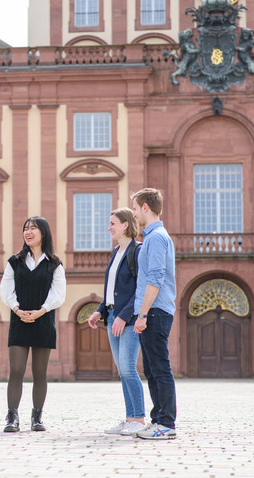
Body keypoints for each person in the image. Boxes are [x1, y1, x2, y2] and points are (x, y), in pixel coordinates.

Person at [0, 216, 65, 432]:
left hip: (43, 321)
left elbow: (58, 294)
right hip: (19, 320)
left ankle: (37, 417)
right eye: (26, 228)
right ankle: (12, 417)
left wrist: (40, 311)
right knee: (16, 370)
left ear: (43, 233)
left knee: (40, 372)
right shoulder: (14, 261)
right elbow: (6, 289)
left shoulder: (55, 264)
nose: (28, 232)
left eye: (33, 228)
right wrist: (17, 309)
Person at [87, 208, 146, 436]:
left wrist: (123, 316)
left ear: (125, 224)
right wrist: (100, 311)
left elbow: (140, 289)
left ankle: (139, 419)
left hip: (129, 319)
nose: (109, 227)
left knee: (129, 369)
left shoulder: (137, 251)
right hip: (112, 316)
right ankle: (129, 418)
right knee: (122, 370)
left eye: (112, 223)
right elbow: (112, 290)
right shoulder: (115, 252)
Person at [131, 188, 177, 440]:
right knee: (151, 369)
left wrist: (143, 314)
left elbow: (156, 278)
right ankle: (158, 418)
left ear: (145, 208)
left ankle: (167, 423)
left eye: (136, 208)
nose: (135, 213)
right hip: (152, 310)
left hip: (155, 310)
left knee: (160, 368)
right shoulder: (151, 237)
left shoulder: (156, 237)